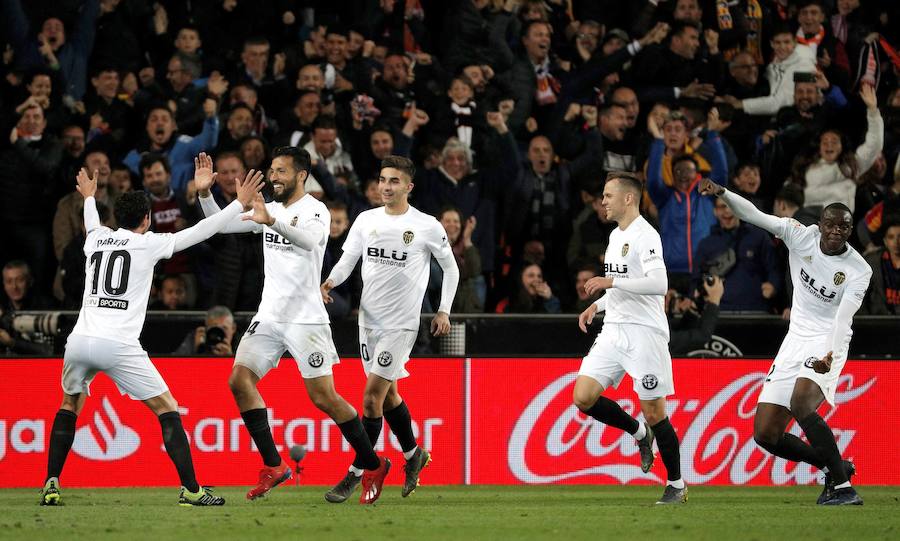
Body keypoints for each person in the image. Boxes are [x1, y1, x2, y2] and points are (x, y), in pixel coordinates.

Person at [40, 165, 264, 507]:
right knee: (167, 409)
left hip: (79, 340)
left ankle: (51, 484)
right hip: (118, 345)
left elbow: (91, 222)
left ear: (117, 216)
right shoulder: (149, 244)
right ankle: (191, 490)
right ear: (146, 218)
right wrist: (237, 204)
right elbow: (204, 230)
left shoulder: (97, 238)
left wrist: (88, 197)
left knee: (69, 403)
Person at [196, 148, 390, 504]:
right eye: (272, 171)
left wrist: (271, 221)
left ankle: (373, 463)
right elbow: (220, 227)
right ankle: (274, 466)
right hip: (269, 315)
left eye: (282, 171)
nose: (274, 177)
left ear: (301, 175)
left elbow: (312, 241)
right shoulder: (270, 207)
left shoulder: (314, 209)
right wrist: (206, 193)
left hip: (306, 319)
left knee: (324, 398)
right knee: (239, 380)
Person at [699, 178, 871, 505]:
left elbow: (843, 318)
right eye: (831, 224)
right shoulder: (799, 234)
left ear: (850, 232)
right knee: (765, 433)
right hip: (795, 339)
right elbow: (753, 214)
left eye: (845, 227)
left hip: (828, 340)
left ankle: (844, 489)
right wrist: (723, 193)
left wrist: (830, 356)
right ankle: (835, 467)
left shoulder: (858, 270)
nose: (837, 231)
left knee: (802, 403)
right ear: (820, 225)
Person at [321, 156, 459, 502]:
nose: (386, 186)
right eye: (383, 180)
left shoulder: (426, 225)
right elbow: (347, 259)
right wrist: (329, 282)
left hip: (401, 325)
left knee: (371, 399)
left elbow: (452, 269)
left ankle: (360, 471)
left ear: (408, 187)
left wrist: (443, 310)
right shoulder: (366, 220)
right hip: (368, 322)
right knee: (390, 395)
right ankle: (414, 456)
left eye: (394, 181)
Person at [576, 171, 686, 504]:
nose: (603, 201)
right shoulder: (615, 237)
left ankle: (676, 485)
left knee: (655, 411)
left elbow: (658, 285)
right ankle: (639, 433)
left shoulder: (645, 236)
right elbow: (622, 286)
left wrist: (610, 284)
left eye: (608, 195)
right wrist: (597, 304)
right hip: (614, 330)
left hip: (644, 334)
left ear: (628, 198)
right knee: (583, 397)